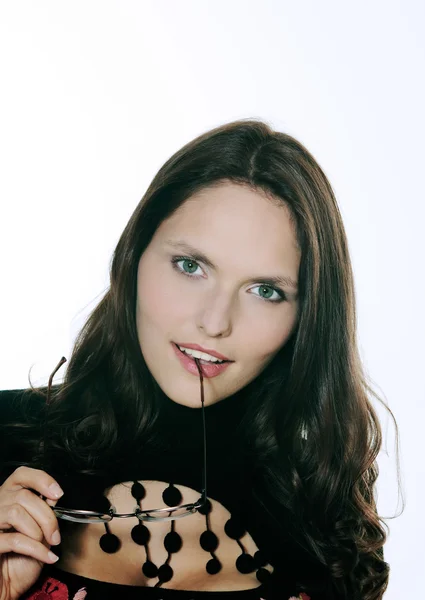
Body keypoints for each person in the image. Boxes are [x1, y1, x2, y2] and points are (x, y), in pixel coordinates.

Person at [0, 119, 393, 600]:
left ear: (307, 315)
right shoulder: (5, 445)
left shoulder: (319, 515)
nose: (214, 322)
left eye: (265, 291)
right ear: (133, 255)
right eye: (191, 266)